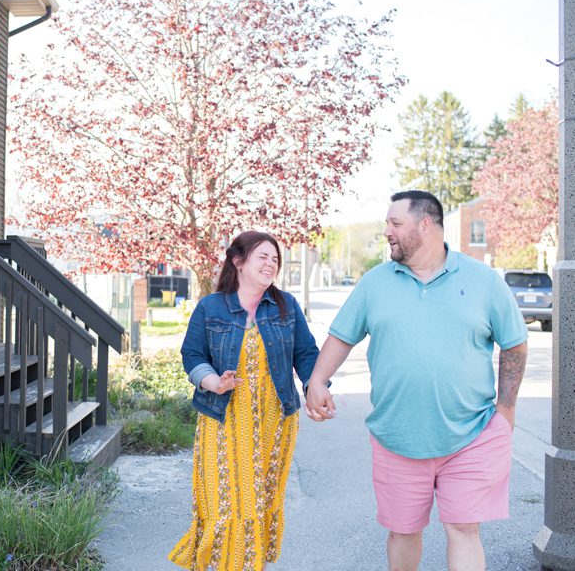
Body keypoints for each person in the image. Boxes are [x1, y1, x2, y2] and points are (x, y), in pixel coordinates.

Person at [305, 190, 528, 571]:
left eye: (395, 224)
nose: (387, 232)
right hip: (397, 435)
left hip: (471, 433)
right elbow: (342, 335)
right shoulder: (375, 283)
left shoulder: (483, 281)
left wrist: (506, 409)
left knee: (463, 528)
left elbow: (515, 345)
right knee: (403, 531)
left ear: (425, 225)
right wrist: (317, 380)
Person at [169, 230, 320, 571]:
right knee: (226, 504)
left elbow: (307, 353)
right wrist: (214, 382)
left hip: (274, 421)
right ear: (238, 261)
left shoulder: (286, 306)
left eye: (275, 258)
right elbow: (192, 355)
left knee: (261, 503)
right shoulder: (212, 307)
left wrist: (315, 387)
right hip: (223, 417)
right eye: (263, 256)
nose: (271, 264)